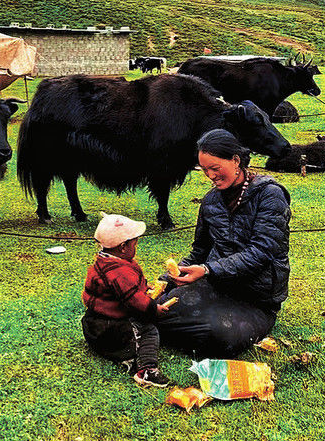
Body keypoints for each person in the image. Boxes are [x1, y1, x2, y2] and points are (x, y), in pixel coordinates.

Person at [156, 129, 291, 358]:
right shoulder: (210, 201)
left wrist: (208, 270)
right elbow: (199, 251)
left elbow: (262, 251)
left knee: (222, 336)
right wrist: (165, 281)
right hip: (217, 286)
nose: (210, 176)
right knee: (162, 307)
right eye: (204, 170)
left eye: (215, 168)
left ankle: (170, 332)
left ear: (235, 161)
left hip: (257, 298)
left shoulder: (269, 195)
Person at [81, 214, 173, 388]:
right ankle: (146, 371)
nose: (136, 247)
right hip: (109, 328)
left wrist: (146, 289)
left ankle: (121, 355)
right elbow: (134, 300)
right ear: (123, 247)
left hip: (93, 324)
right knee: (148, 330)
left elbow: (124, 291)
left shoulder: (103, 261)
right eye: (135, 243)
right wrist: (153, 308)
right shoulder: (120, 271)